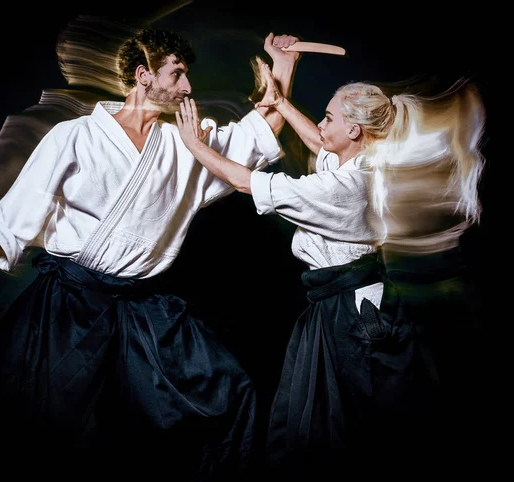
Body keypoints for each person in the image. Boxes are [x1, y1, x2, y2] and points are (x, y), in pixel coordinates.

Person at [0, 28, 300, 477]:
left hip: (141, 306)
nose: (187, 88)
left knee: (226, 393)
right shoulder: (75, 134)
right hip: (69, 304)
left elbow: (258, 136)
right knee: (61, 427)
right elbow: (22, 202)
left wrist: (284, 66)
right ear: (143, 75)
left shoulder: (185, 140)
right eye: (177, 74)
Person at [175, 59, 486, 465]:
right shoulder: (360, 161)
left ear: (354, 129)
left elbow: (245, 181)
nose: (321, 124)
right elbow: (321, 146)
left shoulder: (347, 186)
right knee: (327, 417)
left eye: (329, 116)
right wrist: (281, 103)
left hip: (357, 315)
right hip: (346, 304)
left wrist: (195, 146)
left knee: (354, 422)